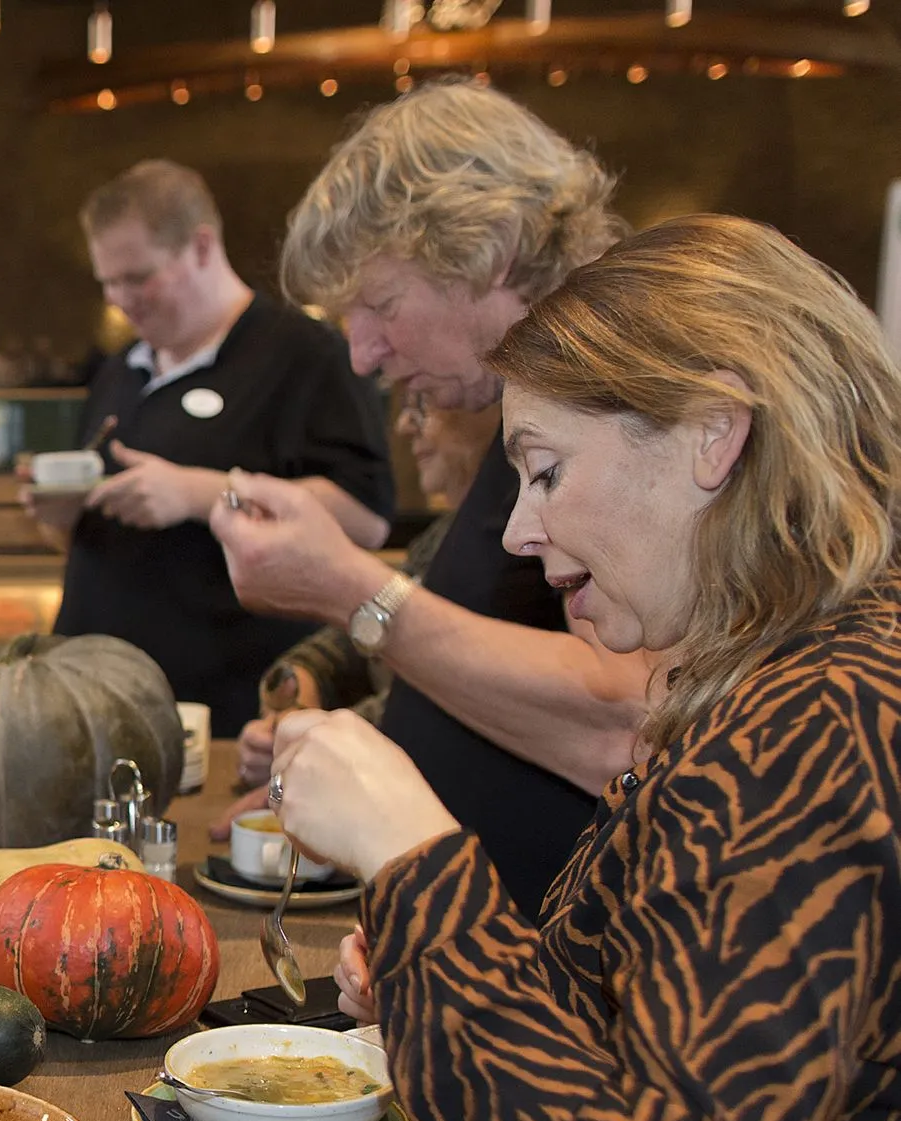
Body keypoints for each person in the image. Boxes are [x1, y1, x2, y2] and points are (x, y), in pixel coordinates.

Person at [275, 216, 901, 1121]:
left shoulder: (816, 728)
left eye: (547, 471)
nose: (518, 529)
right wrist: (439, 976)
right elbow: (688, 1054)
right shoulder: (783, 679)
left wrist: (411, 857)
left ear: (712, 436)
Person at [212, 82, 650, 913]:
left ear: (489, 250)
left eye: (381, 305)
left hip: (541, 962)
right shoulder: (531, 397)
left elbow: (625, 722)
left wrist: (351, 589)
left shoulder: (610, 395)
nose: (362, 355)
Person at [37, 159, 395, 731]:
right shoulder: (120, 368)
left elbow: (366, 517)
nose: (120, 299)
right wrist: (62, 517)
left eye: (138, 278)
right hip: (92, 694)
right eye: (108, 282)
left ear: (201, 247)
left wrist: (198, 494)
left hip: (225, 700)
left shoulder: (304, 354)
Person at [215, 398, 498, 824]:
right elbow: (369, 627)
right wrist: (300, 688)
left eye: (425, 403)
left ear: (493, 411)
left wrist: (315, 741)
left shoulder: (512, 554)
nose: (404, 425)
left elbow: (448, 700)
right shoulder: (445, 534)